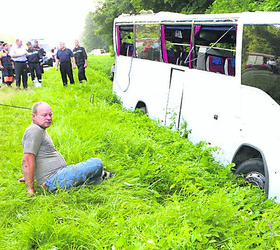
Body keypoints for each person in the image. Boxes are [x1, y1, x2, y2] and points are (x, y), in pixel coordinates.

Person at [19, 101, 114, 196]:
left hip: (58, 175)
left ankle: (83, 183)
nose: (49, 118)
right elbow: (27, 159)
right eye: (44, 115)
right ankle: (98, 175)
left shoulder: (39, 129)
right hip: (53, 179)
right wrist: (30, 189)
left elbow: (36, 156)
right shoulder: (34, 130)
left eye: (50, 115)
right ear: (33, 116)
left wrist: (29, 177)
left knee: (90, 181)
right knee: (97, 163)